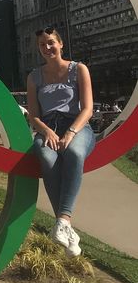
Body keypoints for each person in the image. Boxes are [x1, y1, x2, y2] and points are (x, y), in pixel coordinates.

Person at [26, 27, 94, 258]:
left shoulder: (78, 69)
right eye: (42, 45)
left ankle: (62, 220)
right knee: (46, 157)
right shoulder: (34, 77)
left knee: (74, 154)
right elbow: (33, 115)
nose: (47, 48)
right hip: (48, 129)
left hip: (77, 126)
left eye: (51, 43)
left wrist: (71, 132)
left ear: (61, 44)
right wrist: (46, 131)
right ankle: (65, 226)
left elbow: (87, 108)